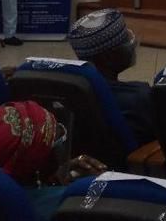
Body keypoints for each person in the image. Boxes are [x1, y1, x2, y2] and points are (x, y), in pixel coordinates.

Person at [0, 100, 107, 221]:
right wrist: (99, 181)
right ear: (30, 163)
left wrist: (52, 176)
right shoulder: (61, 205)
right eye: (51, 147)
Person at [67, 8, 156, 146]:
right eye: (127, 42)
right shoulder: (139, 96)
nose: (132, 46)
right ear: (108, 57)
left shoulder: (70, 94)